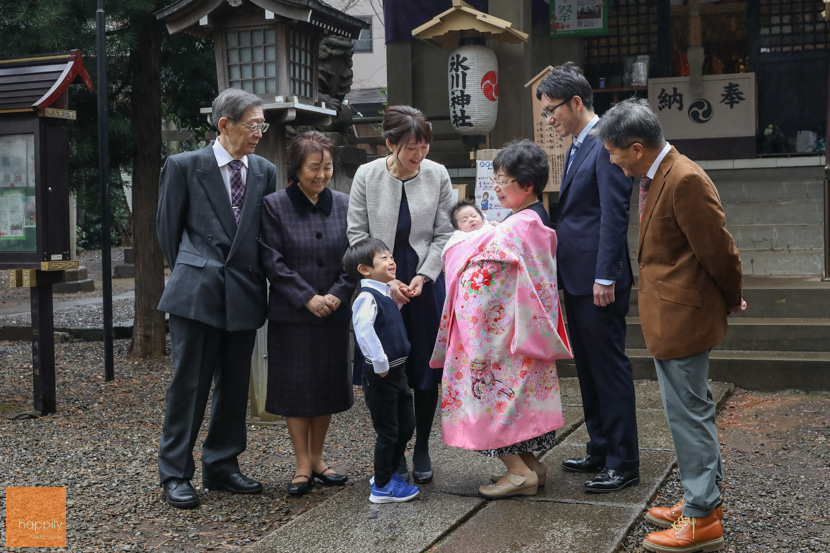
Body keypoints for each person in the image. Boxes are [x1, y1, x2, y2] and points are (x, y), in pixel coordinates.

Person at [594, 97, 745, 553]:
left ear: (636, 148)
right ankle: (704, 500)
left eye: (615, 153)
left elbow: (719, 249)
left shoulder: (683, 179)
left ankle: (702, 518)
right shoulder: (661, 172)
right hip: (673, 312)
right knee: (688, 411)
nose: (613, 161)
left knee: (688, 415)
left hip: (685, 315)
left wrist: (731, 294)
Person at [431, 140, 573, 500]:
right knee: (515, 399)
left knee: (491, 397)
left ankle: (517, 472)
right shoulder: (531, 219)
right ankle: (530, 465)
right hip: (520, 330)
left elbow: (483, 284)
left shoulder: (515, 227)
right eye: (495, 179)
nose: (496, 187)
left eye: (503, 180)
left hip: (496, 336)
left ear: (527, 185)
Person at [156, 88, 277, 508]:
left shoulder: (264, 170)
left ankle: (223, 465)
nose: (259, 132)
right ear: (224, 125)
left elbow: (265, 235)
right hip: (197, 292)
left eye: (263, 124)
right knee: (188, 384)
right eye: (253, 125)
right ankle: (175, 473)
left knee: (234, 385)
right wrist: (197, 269)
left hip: (244, 290)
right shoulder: (184, 166)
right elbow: (168, 232)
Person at [537, 62, 640, 493]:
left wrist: (605, 276)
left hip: (598, 281)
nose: (549, 119)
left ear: (577, 102)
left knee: (608, 368)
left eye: (552, 110)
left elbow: (614, 216)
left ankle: (623, 460)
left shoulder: (605, 143)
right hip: (576, 278)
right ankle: (600, 446)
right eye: (545, 112)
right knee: (588, 368)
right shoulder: (580, 144)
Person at [347, 105, 454, 484]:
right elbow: (357, 234)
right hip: (381, 282)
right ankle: (392, 450)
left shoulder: (437, 173)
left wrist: (424, 276)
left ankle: (422, 444)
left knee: (425, 365)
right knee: (387, 367)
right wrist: (384, 281)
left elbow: (444, 233)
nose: (419, 155)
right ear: (389, 144)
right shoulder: (367, 175)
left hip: (424, 281)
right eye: (411, 148)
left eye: (424, 146)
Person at [258, 131, 355, 496]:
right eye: (314, 167)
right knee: (296, 389)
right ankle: (301, 463)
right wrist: (307, 298)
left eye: (327, 167)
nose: (321, 174)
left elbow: (354, 257)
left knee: (326, 386)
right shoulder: (274, 205)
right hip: (292, 315)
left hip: (332, 312)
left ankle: (318, 458)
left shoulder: (345, 204)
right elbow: (272, 260)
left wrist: (336, 295)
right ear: (296, 169)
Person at [343, 238, 421, 504]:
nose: (392, 261)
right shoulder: (366, 297)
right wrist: (380, 364)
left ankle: (385, 473)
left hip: (398, 373)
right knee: (388, 431)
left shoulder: (386, 293)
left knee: (406, 426)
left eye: (391, 256)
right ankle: (383, 486)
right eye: (384, 258)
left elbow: (387, 325)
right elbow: (363, 331)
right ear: (365, 269)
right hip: (382, 375)